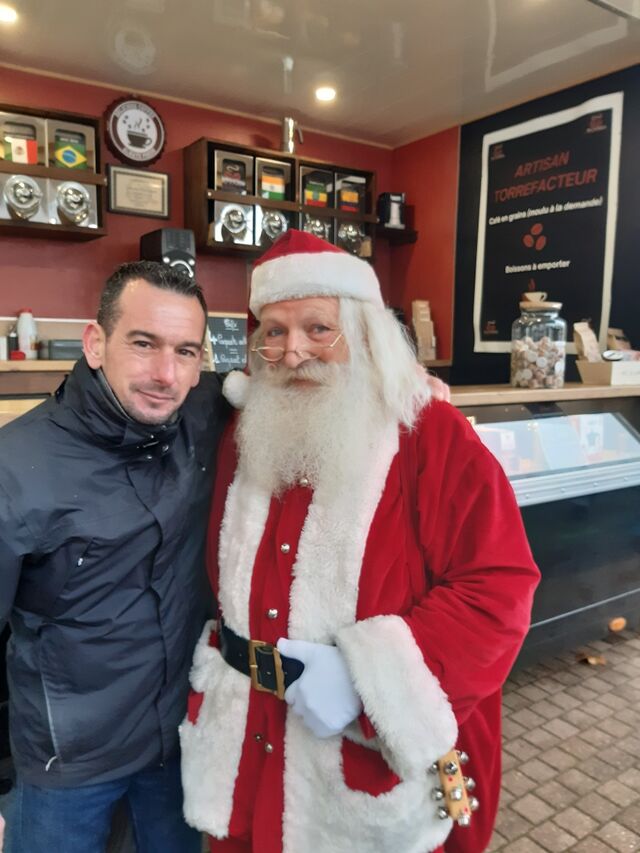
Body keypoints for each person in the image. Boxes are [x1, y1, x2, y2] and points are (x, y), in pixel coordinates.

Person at [180, 229, 540, 853]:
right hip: (246, 753)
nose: (293, 351)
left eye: (319, 328)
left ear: (365, 333)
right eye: (274, 331)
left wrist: (363, 682)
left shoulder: (432, 437)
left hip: (362, 774)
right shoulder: (241, 429)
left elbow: (499, 590)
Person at [0, 261, 230, 852]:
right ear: (96, 343)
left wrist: (411, 390)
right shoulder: (14, 467)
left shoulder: (204, 414)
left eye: (185, 351)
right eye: (144, 343)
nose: (165, 373)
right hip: (66, 761)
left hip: (177, 741)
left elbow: (303, 384)